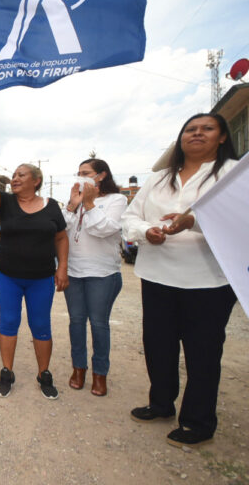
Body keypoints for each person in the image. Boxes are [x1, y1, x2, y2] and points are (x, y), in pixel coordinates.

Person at [121, 113, 238, 448]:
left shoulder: (232, 176)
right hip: (157, 275)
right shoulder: (158, 178)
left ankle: (198, 421)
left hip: (208, 281)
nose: (197, 133)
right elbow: (131, 217)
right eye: (190, 129)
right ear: (181, 138)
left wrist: (194, 222)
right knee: (158, 345)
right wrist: (146, 231)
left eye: (206, 129)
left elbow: (238, 219)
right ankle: (161, 404)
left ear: (222, 137)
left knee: (202, 352)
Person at [0, 144, 68, 400]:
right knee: (9, 322)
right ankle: (6, 372)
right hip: (9, 276)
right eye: (14, 175)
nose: (15, 178)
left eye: (21, 175)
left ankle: (44, 374)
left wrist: (63, 267)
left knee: (41, 325)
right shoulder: (6, 202)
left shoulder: (52, 206)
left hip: (42, 278)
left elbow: (61, 238)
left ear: (37, 180)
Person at [62, 159, 127, 396]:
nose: (81, 177)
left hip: (103, 273)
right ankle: (78, 369)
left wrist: (89, 204)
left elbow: (104, 229)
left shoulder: (116, 200)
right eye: (78, 173)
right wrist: (72, 204)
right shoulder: (76, 201)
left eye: (86, 173)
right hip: (74, 272)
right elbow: (61, 229)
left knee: (99, 324)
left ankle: (100, 374)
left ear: (101, 176)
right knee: (76, 322)